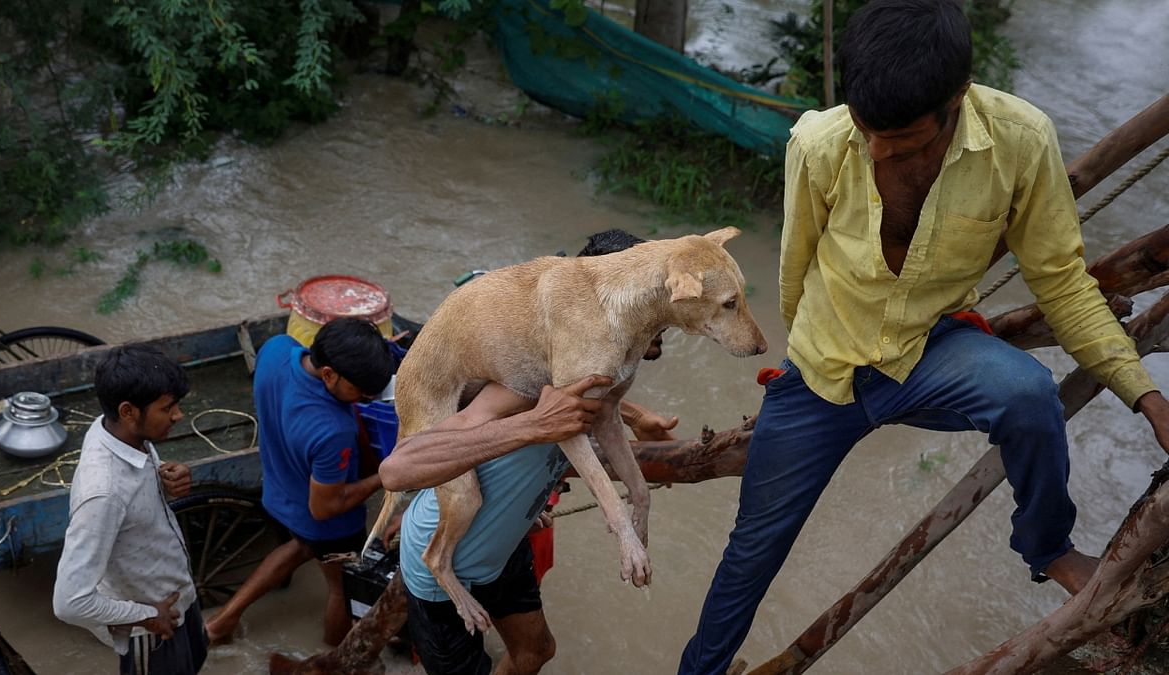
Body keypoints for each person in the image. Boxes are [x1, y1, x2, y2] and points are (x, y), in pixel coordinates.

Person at [677, 2, 1169, 673]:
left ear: (957, 101)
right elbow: (794, 273)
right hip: (825, 372)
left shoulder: (1021, 143)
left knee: (1028, 395)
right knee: (749, 554)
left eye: (903, 139)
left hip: (928, 352)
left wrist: (1147, 397)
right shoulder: (817, 146)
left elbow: (1062, 283)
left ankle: (1047, 544)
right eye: (866, 130)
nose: (878, 150)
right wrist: (807, 367)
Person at [381, 230, 677, 675]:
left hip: (507, 544)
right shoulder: (517, 382)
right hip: (442, 572)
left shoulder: (600, 365)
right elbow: (402, 463)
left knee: (537, 652)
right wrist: (532, 425)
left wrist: (637, 429)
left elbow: (599, 410)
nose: (659, 322)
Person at [205, 316, 396, 646]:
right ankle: (335, 654)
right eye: (359, 390)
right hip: (328, 524)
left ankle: (221, 622)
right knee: (342, 588)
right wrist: (385, 474)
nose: (363, 397)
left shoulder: (276, 349)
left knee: (300, 547)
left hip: (279, 491)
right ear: (328, 374)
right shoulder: (332, 429)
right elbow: (325, 508)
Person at [53, 345, 205, 675]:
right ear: (128, 411)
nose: (178, 415)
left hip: (178, 595)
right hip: (153, 630)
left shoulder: (120, 433)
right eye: (168, 408)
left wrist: (164, 475)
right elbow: (68, 601)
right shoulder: (103, 493)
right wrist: (145, 614)